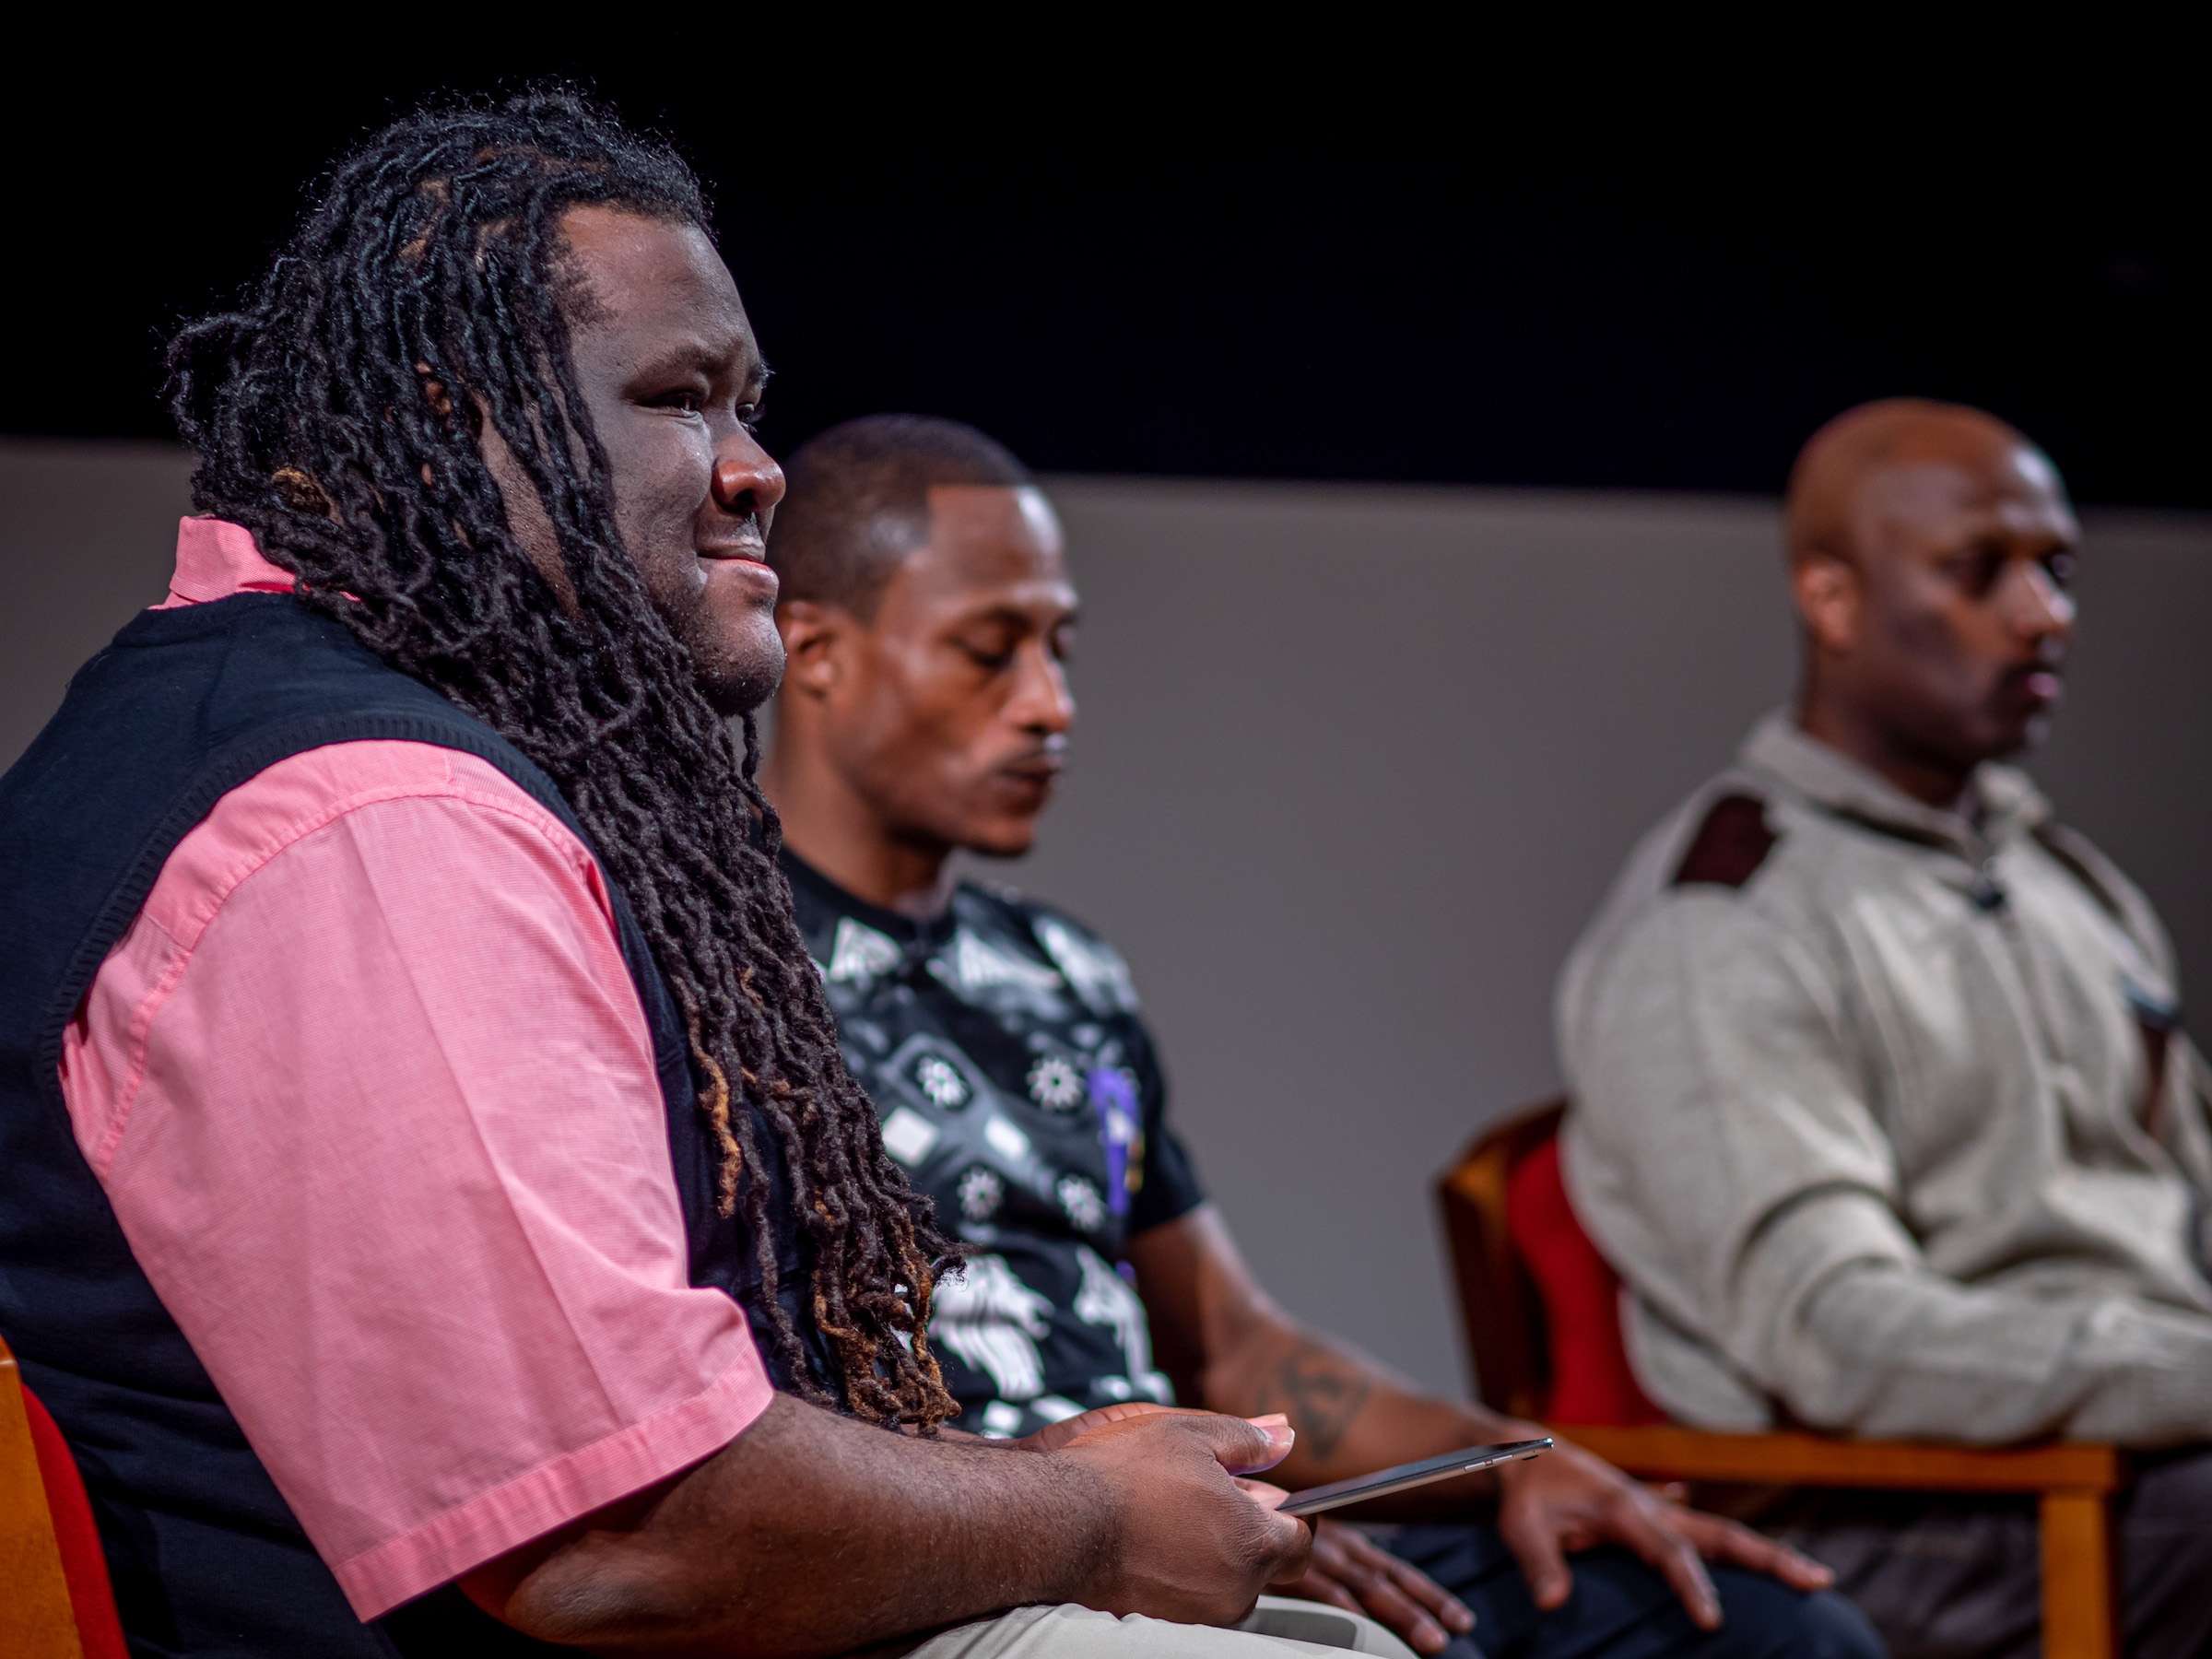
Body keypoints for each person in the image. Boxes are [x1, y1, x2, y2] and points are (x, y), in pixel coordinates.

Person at [0, 93, 1429, 1659]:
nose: (758, 472)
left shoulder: (243, 720)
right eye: (683, 399)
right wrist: (1085, 1517)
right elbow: (622, 1536)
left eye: (750, 404)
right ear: (446, 416)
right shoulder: (371, 822)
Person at [757, 413, 1880, 1659]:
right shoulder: (716, 959)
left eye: (1061, 647)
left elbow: (1235, 1342)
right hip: (977, 1554)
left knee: (1766, 1632)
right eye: (989, 652)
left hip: (1197, 1516)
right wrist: (1115, 1521)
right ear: (814, 649)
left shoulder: (1061, 969)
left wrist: (1509, 1467)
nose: (1050, 704)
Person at [1557, 398, 2212, 1657]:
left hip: (2124, 1457)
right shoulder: (1726, 927)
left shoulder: (2063, 880)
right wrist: (2185, 1375)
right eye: (1980, 572)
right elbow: (1839, 1337)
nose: (2044, 614)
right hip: (1895, 1510)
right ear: (1833, 599)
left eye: (2058, 569)